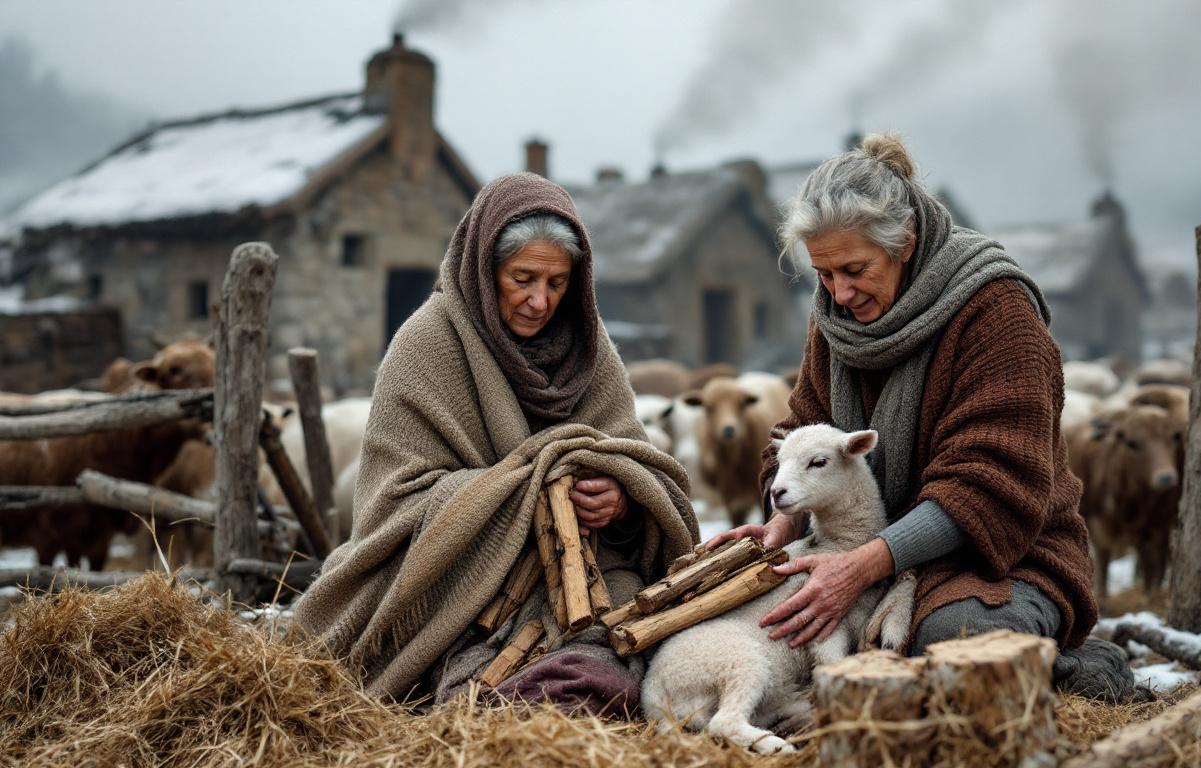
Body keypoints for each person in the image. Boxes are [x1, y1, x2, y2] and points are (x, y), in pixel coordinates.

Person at [708, 134, 1132, 701]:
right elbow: (803, 430)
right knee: (783, 629)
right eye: (824, 273)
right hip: (861, 547)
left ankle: (1081, 665)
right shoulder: (836, 318)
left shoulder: (996, 313)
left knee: (948, 646)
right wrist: (783, 521)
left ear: (904, 242)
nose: (839, 292)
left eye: (855, 269)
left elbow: (990, 484)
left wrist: (863, 568)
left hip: (997, 558)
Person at [295, 173, 697, 712]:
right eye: (522, 278)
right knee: (477, 679)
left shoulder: (588, 348)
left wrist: (622, 501)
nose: (539, 301)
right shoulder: (427, 346)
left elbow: (639, 464)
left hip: (588, 576)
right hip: (463, 589)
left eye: (557, 283)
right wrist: (530, 487)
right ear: (485, 270)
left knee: (640, 659)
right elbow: (393, 504)